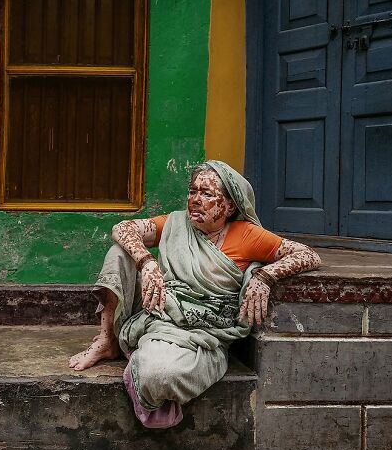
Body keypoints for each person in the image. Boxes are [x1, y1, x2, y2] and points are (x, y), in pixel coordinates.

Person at [68, 160, 321, 428]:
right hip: (158, 315)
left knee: (159, 376)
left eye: (207, 194)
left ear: (230, 206)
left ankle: (143, 361)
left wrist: (265, 276)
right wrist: (146, 261)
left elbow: (308, 254)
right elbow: (123, 228)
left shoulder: (247, 235)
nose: (195, 200)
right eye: (192, 192)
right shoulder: (176, 224)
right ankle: (107, 339)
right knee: (118, 253)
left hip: (203, 332)